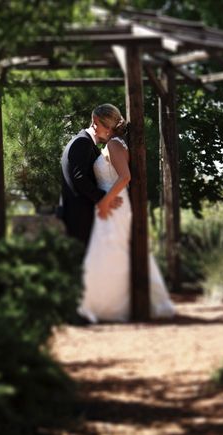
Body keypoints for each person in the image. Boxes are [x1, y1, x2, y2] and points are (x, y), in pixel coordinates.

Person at [74, 104, 175, 323]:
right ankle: (103, 305)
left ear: (107, 126)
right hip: (110, 206)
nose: (93, 126)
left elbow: (125, 177)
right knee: (106, 255)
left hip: (114, 207)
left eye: (96, 123)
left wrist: (104, 202)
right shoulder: (112, 144)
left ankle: (117, 306)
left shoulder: (115, 145)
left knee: (115, 253)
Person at [59, 106, 123, 246]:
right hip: (80, 216)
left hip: (79, 215)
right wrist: (105, 198)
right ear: (95, 122)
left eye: (112, 129)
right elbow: (79, 178)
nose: (109, 133)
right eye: (107, 127)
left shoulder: (84, 142)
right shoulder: (82, 142)